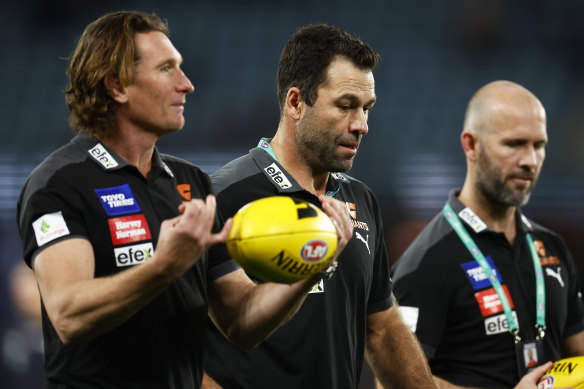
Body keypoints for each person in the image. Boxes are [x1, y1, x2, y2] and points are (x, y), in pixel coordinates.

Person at [16, 11, 354, 388]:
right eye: (166, 69)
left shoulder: (190, 183)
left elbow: (241, 323)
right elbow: (68, 315)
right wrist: (163, 266)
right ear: (117, 86)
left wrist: (311, 264)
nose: (187, 84)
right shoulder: (58, 183)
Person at [202, 24, 436, 389]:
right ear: (295, 103)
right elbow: (206, 339)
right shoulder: (222, 198)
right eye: (345, 106)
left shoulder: (361, 201)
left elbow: (382, 327)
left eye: (366, 108)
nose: (361, 125)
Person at [390, 80, 584, 388]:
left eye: (539, 145)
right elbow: (393, 383)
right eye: (514, 144)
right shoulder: (426, 261)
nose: (530, 161)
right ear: (471, 145)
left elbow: (578, 352)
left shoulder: (552, 247)